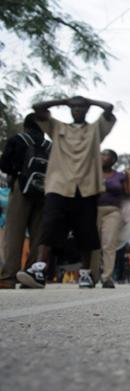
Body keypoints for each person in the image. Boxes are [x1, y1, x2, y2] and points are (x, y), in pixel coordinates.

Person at [16, 96, 116, 289]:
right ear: (69, 109)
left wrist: (88, 100)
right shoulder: (57, 127)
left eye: (81, 107)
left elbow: (109, 108)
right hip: (59, 185)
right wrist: (65, 100)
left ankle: (85, 274)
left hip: (86, 187)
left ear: (87, 110)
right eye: (74, 107)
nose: (77, 110)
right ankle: (39, 270)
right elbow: (37, 108)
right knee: (50, 225)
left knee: (86, 230)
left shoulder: (96, 130)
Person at [0, 114, 51, 289]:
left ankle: (8, 276)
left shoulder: (18, 139)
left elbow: (5, 165)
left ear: (26, 125)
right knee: (37, 235)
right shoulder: (50, 146)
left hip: (20, 189)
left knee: (14, 234)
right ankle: (31, 274)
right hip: (44, 192)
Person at [90, 149, 130, 288]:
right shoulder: (93, 173)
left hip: (113, 211)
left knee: (109, 244)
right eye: (101, 154)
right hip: (93, 210)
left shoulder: (120, 176)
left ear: (113, 160)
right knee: (93, 244)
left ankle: (106, 277)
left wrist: (129, 176)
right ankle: (91, 276)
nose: (102, 156)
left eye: (105, 155)